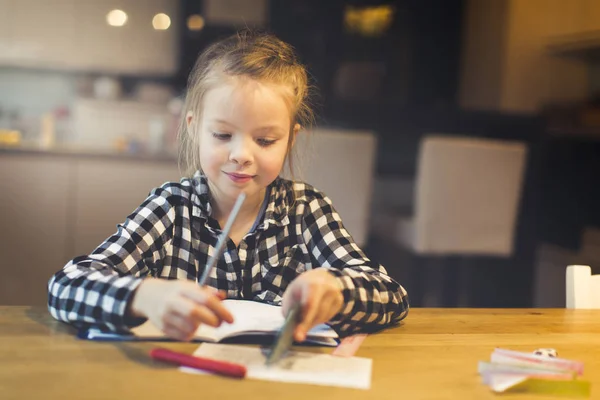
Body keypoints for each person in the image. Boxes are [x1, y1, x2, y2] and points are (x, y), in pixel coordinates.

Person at [47, 30, 409, 342]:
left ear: (290, 140)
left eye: (265, 141)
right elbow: (65, 286)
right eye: (222, 135)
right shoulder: (172, 207)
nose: (242, 155)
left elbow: (392, 295)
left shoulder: (306, 209)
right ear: (193, 128)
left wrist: (337, 292)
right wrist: (145, 295)